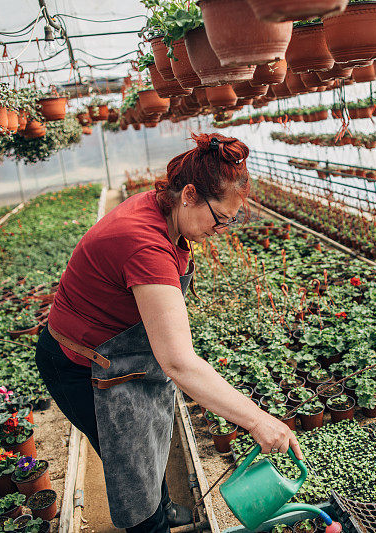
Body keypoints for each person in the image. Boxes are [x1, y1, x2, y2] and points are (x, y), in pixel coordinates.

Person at [35, 132, 302, 533]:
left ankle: (160, 504)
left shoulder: (165, 210)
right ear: (190, 195)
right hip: (80, 365)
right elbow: (178, 361)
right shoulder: (144, 245)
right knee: (129, 457)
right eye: (220, 219)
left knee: (147, 445)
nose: (221, 229)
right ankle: (150, 523)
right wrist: (257, 420)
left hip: (123, 353)